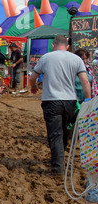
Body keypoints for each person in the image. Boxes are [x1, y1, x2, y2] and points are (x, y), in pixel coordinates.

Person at [29, 35, 91, 176]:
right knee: (64, 131)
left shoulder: (46, 57)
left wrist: (33, 87)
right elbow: (85, 81)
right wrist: (88, 100)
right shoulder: (76, 59)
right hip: (70, 101)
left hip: (52, 100)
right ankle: (59, 158)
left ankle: (58, 167)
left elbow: (33, 77)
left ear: (53, 45)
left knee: (55, 134)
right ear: (68, 46)